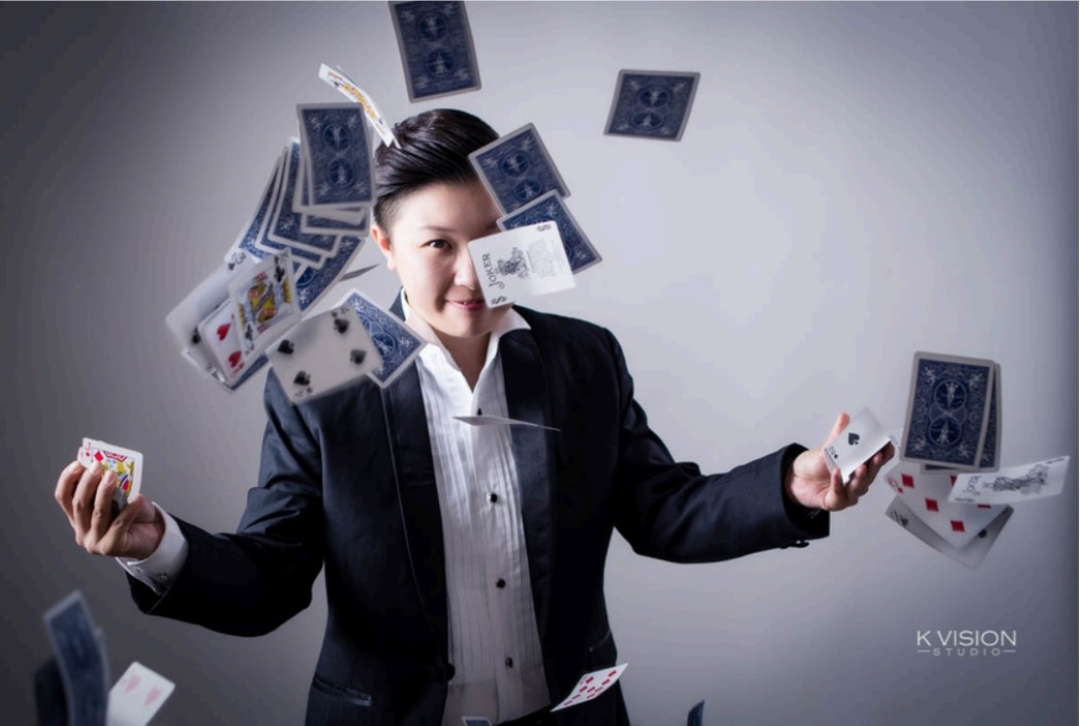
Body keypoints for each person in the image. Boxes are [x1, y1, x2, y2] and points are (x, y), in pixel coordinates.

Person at [54, 109, 893, 726]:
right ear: (384, 246)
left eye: (491, 238)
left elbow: (663, 510)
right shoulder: (317, 369)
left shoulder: (583, 359)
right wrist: (156, 543)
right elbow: (271, 577)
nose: (472, 275)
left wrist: (792, 487)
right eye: (437, 244)